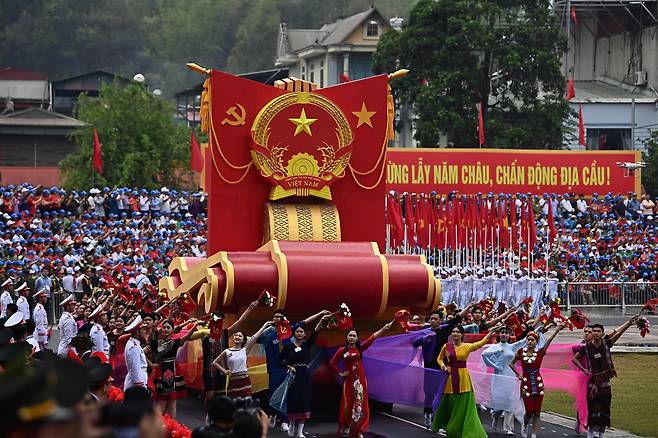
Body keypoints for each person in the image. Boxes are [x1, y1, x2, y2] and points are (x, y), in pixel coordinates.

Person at [257, 308, 331, 432]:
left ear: (284, 319)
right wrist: (265, 327)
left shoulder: (290, 330)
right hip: (274, 369)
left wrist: (320, 313)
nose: (277, 319)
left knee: (288, 395)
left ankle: (285, 421)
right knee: (274, 394)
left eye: (280, 317)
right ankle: (273, 415)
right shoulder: (268, 333)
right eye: (275, 317)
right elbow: (256, 338)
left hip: (290, 370)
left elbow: (305, 322)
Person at [572, 315, 640, 438]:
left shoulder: (607, 343)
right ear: (592, 333)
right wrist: (584, 370)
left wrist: (630, 322)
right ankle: (591, 433)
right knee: (592, 408)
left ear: (603, 333)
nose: (596, 333)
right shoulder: (586, 348)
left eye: (599, 331)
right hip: (593, 383)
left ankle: (601, 434)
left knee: (605, 407)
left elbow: (619, 332)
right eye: (594, 331)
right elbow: (575, 359)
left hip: (605, 382)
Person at [412, 303, 474, 428]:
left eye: (435, 319)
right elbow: (414, 342)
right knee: (429, 393)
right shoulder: (425, 331)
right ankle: (427, 414)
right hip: (429, 368)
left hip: (442, 368)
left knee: (441, 393)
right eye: (431, 319)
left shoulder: (444, 329)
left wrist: (468, 308)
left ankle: (438, 418)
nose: (433, 321)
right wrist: (425, 338)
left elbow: (456, 319)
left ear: (440, 321)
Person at [431, 325, 498, 437]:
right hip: (450, 377)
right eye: (453, 331)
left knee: (462, 405)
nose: (455, 334)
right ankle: (448, 424)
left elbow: (480, 344)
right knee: (449, 402)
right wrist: (443, 366)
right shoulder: (446, 346)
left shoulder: (467, 346)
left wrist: (490, 334)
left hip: (463, 378)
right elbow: (439, 358)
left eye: (457, 332)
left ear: (462, 334)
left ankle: (457, 427)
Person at [329, 321, 392, 437]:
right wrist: (341, 373)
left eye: (354, 336)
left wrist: (383, 329)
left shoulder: (360, 349)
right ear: (347, 337)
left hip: (360, 382)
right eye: (350, 335)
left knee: (361, 405)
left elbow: (372, 338)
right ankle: (347, 426)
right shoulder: (342, 350)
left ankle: (358, 430)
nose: (352, 337)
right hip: (349, 382)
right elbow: (332, 363)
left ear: (357, 338)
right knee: (348, 405)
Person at [278, 314, 331, 438]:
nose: (300, 333)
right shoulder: (288, 347)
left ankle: (300, 431)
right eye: (297, 331)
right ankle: (291, 423)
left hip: (305, 376)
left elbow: (316, 332)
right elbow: (279, 360)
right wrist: (288, 367)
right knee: (293, 400)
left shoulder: (307, 345)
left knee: (304, 400)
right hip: (293, 376)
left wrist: (321, 322)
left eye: (302, 332)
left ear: (304, 334)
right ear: (294, 333)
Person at [510, 324, 565, 438]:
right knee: (529, 411)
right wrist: (518, 374)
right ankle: (525, 425)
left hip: (538, 384)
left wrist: (557, 330)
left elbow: (549, 340)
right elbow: (511, 364)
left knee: (537, 412)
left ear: (536, 342)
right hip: (526, 385)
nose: (530, 341)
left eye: (532, 340)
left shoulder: (540, 353)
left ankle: (534, 434)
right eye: (528, 339)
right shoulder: (520, 352)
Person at [145, 318, 202, 418]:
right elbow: (141, 352)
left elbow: (187, 336)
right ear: (161, 329)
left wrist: (195, 325)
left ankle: (172, 429)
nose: (166, 329)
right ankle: (157, 426)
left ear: (172, 330)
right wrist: (151, 364)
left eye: (168, 327)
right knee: (161, 402)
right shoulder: (155, 343)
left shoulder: (176, 342)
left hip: (174, 371)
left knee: (172, 403)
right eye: (164, 327)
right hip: (160, 372)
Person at [213, 321, 273, 398]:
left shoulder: (244, 350)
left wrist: (265, 325)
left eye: (240, 336)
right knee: (232, 403)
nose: (237, 337)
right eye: (236, 335)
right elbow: (215, 362)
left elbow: (255, 337)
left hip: (244, 380)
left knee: (246, 403)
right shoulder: (227, 351)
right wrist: (224, 371)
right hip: (233, 380)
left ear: (243, 340)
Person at [571, 324, 593, 433]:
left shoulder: (597, 345)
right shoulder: (581, 347)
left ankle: (589, 422)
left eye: (589, 332)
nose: (587, 333)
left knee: (593, 400)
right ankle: (580, 419)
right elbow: (573, 352)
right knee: (583, 400)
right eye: (585, 331)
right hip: (583, 378)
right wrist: (583, 369)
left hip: (595, 377)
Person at [124, 314, 148, 391]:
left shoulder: (134, 344)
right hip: (136, 385)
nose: (145, 332)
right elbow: (135, 369)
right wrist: (142, 389)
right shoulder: (133, 347)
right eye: (143, 329)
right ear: (137, 332)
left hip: (136, 381)